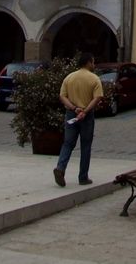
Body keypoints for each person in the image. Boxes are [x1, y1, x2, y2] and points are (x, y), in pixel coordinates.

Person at [53, 52, 103, 187]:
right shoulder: (94, 79)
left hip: (71, 114)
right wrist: (85, 111)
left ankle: (60, 168)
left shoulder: (69, 77)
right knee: (86, 146)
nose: (94, 65)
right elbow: (97, 98)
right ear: (88, 63)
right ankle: (83, 177)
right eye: (93, 62)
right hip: (87, 116)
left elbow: (62, 96)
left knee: (68, 143)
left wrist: (74, 109)